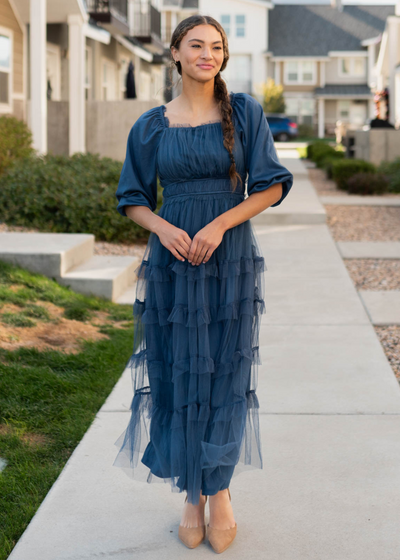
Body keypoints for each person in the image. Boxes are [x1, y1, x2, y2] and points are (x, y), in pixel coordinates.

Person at [113, 14, 294, 553]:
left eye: (216, 46)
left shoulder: (244, 114)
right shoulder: (151, 125)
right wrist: (168, 229)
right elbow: (132, 199)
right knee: (176, 374)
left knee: (224, 374)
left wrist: (218, 223)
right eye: (196, 45)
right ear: (175, 53)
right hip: (172, 261)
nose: (207, 54)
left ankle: (220, 492)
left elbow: (270, 187)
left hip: (228, 256)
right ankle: (191, 493)